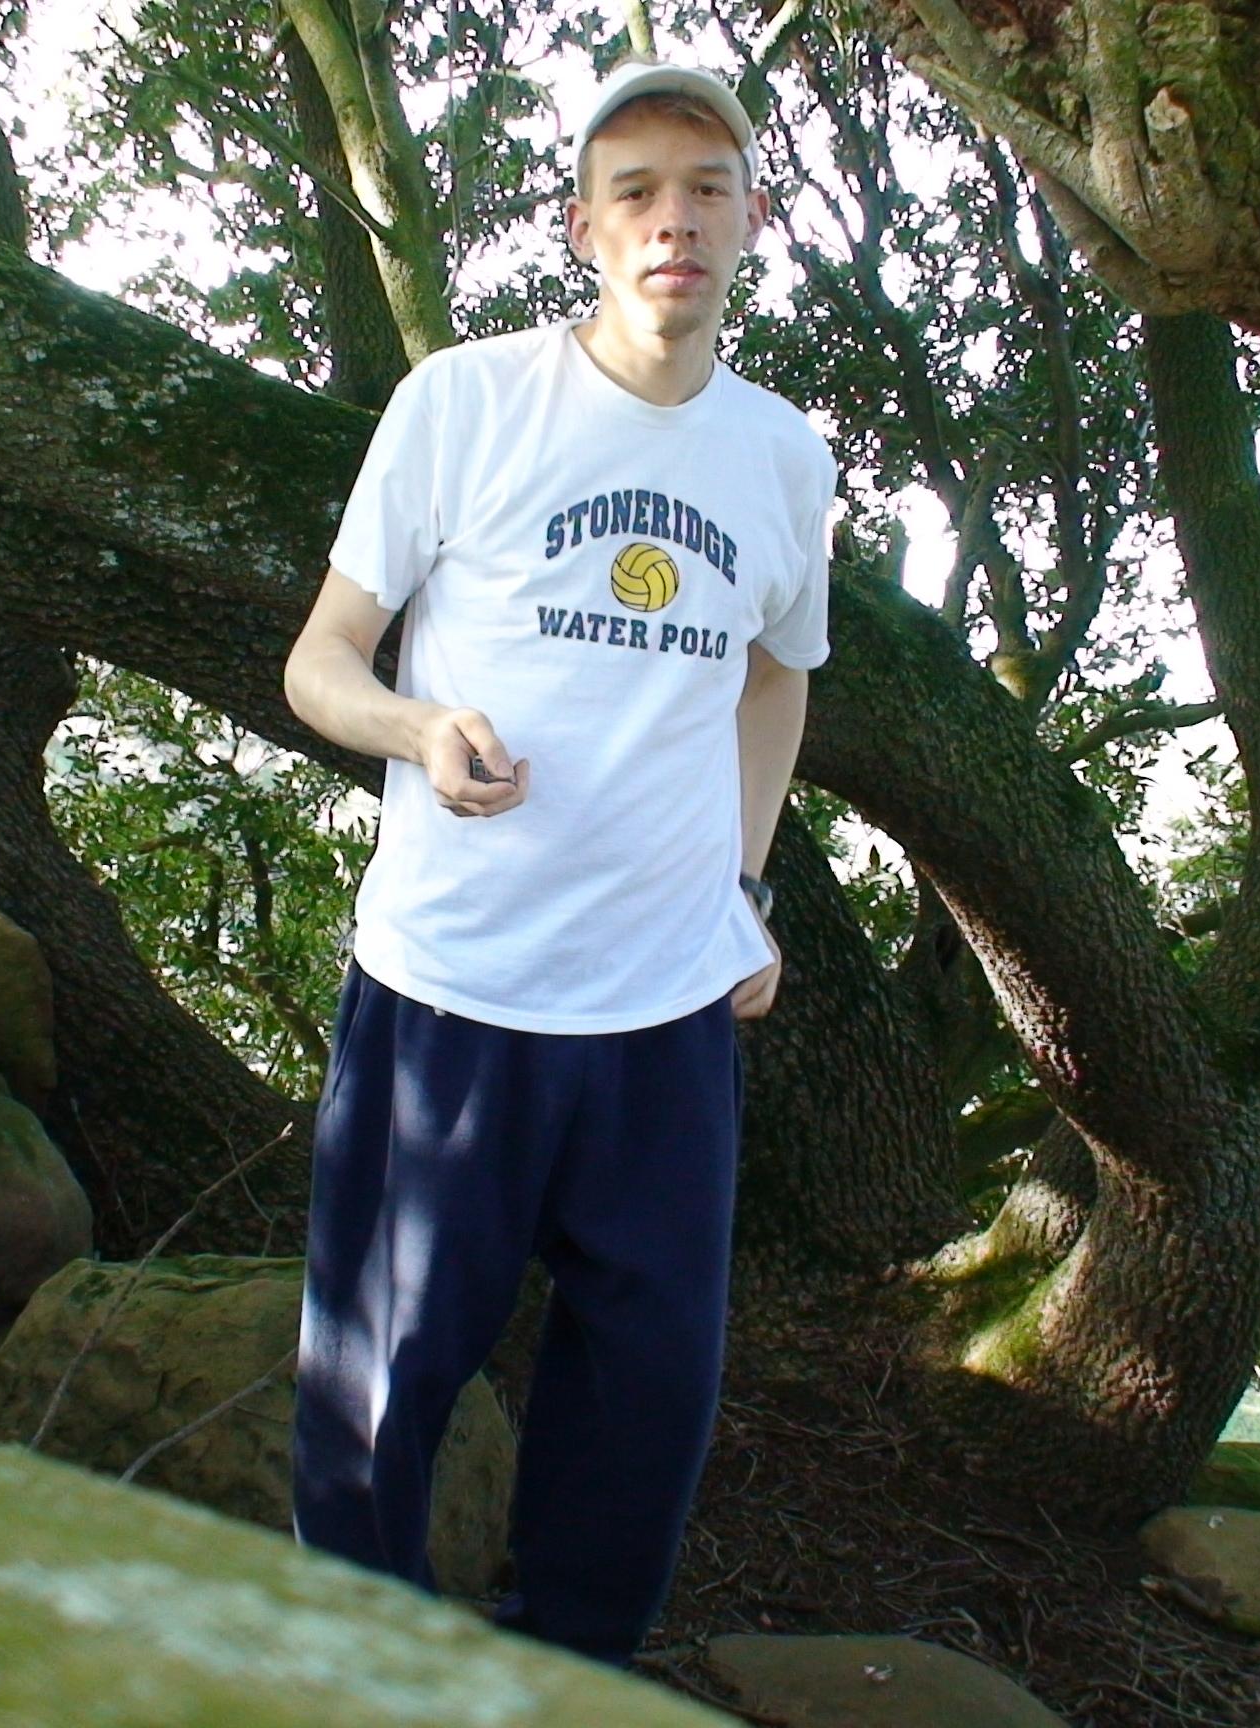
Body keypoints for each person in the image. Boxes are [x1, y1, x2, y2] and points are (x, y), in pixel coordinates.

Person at [282, 57, 836, 1667]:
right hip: (453, 990)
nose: (676, 219)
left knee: (641, 1407)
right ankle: (351, 1682)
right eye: (640, 191)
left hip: (665, 1016)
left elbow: (777, 670)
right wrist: (416, 726)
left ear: (751, 223)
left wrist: (744, 885)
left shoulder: (786, 460)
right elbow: (320, 663)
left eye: (708, 188)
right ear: (586, 226)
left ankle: (571, 1685)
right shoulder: (463, 402)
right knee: (379, 1392)